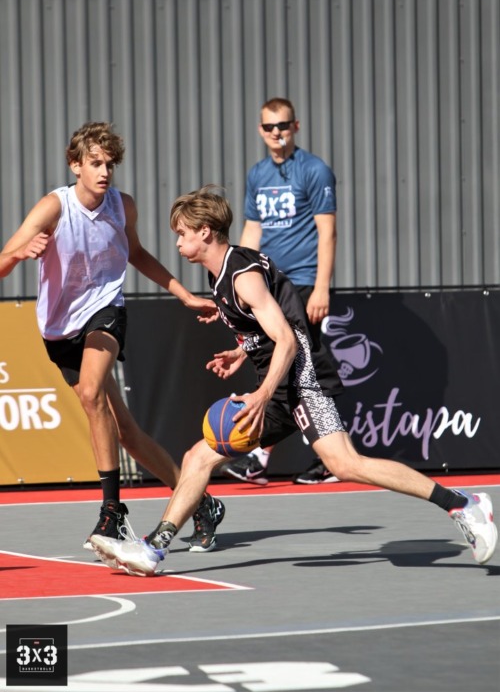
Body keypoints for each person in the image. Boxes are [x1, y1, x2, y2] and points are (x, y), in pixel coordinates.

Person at [90, 187, 497, 576]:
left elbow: (286, 339)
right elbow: (267, 330)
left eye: (182, 233)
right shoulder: (222, 275)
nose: (178, 242)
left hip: (303, 380)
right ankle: (153, 548)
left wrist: (262, 394)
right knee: (199, 456)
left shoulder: (242, 276)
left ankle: (463, 504)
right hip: (279, 383)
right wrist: (240, 352)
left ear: (205, 232)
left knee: (344, 463)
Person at [0, 123, 225, 553]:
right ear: (75, 165)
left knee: (91, 392)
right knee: (127, 433)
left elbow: (135, 253)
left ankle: (112, 513)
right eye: (95, 163)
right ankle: (201, 502)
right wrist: (19, 254)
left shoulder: (122, 206)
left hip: (105, 310)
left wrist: (183, 295)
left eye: (110, 164)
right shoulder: (53, 207)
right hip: (59, 329)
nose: (104, 172)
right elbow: (3, 259)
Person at [221, 96, 340, 486]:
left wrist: (321, 288)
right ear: (261, 130)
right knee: (283, 365)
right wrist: (234, 277)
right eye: (269, 127)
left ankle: (324, 457)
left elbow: (327, 232)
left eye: (283, 125)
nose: (277, 133)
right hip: (267, 285)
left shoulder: (314, 170)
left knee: (303, 368)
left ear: (295, 127)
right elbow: (252, 231)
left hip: (302, 282)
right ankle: (268, 457)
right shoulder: (258, 174)